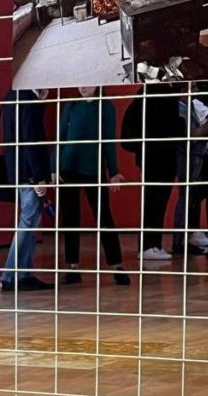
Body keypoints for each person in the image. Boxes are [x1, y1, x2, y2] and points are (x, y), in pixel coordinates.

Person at [54, 86, 130, 286]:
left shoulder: (106, 107)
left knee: (103, 216)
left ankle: (117, 266)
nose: (83, 87)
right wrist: (54, 167)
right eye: (80, 82)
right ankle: (72, 268)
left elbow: (109, 140)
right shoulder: (71, 105)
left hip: (93, 168)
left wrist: (113, 171)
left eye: (88, 82)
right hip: (68, 168)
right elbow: (60, 137)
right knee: (70, 218)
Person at [121, 83, 186, 261]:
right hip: (161, 156)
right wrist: (181, 125)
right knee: (156, 203)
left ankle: (151, 244)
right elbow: (172, 128)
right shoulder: (164, 97)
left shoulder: (143, 96)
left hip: (149, 156)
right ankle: (149, 245)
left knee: (153, 202)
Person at [0, 88, 54, 292]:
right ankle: (10, 276)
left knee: (30, 222)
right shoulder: (28, 98)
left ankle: (23, 275)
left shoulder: (11, 95)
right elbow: (32, 139)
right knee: (28, 221)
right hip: (29, 172)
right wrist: (39, 176)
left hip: (18, 170)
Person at [173, 82, 208, 255]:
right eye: (193, 87)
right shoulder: (181, 109)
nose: (196, 91)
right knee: (186, 198)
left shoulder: (189, 107)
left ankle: (188, 238)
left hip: (195, 157)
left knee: (191, 199)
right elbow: (193, 135)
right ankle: (180, 241)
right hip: (188, 158)